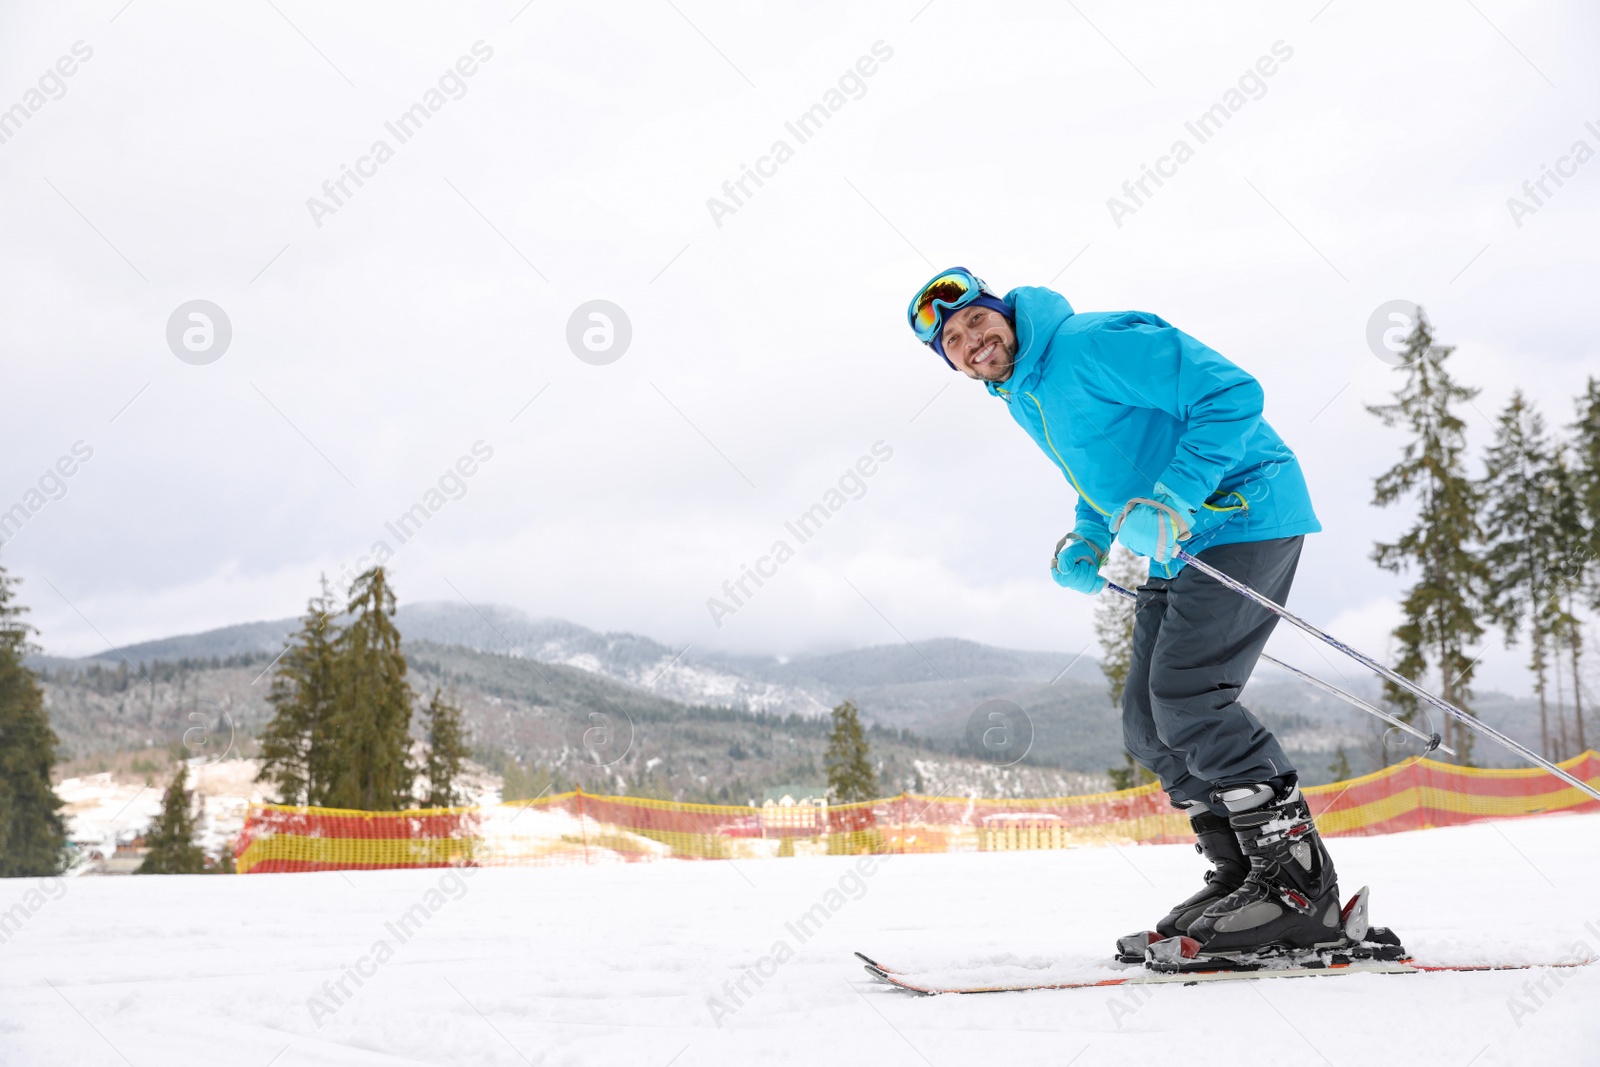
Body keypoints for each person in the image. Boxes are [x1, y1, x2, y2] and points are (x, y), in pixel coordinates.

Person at [906, 268, 1344, 957]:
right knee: (1149, 724)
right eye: (953, 341)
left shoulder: (1089, 343)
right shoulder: (1024, 392)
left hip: (1243, 511)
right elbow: (1104, 473)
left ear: (1004, 310)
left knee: (1191, 698)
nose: (972, 342)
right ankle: (1243, 874)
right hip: (1178, 541)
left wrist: (1175, 496)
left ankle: (1297, 889)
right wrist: (1090, 533)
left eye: (976, 321)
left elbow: (1233, 392)